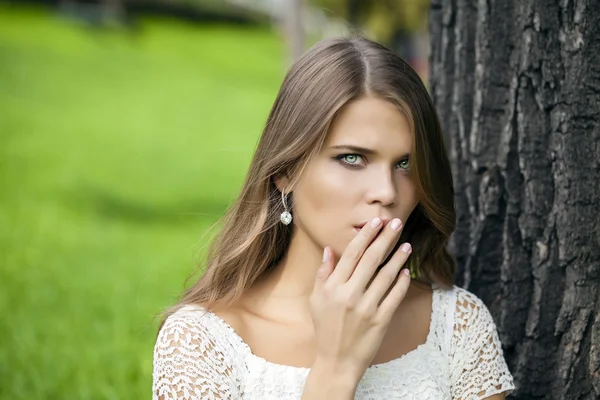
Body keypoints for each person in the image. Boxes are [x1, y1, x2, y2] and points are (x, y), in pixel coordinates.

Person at [152, 36, 515, 399]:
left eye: (405, 164)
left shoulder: (457, 326)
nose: (386, 192)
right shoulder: (200, 343)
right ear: (285, 171)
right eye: (352, 158)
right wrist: (335, 369)